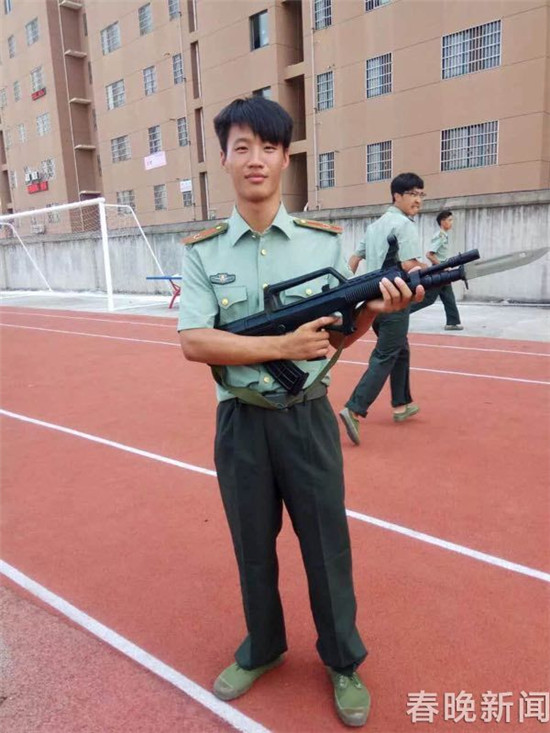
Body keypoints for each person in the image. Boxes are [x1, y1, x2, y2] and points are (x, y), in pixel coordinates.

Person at [177, 97, 423, 727]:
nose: (255, 159)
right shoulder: (203, 252)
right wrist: (279, 346)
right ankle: (262, 647)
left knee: (326, 544)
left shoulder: (323, 243)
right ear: (224, 159)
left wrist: (375, 313)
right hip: (241, 423)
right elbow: (195, 341)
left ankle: (342, 659)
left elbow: (338, 335)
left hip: (308, 416)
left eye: (268, 147)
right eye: (241, 147)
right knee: (252, 545)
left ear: (286, 158)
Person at [339, 173, 427, 446]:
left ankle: (401, 404)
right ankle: (354, 408)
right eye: (412, 194)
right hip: (394, 300)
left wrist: (344, 290)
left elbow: (355, 258)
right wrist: (436, 271)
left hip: (373, 301)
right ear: (396, 196)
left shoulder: (374, 226)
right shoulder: (404, 225)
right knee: (385, 355)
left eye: (421, 194)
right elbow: (410, 265)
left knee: (400, 349)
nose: (418, 200)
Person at [409, 209, 463, 330]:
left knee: (448, 297)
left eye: (452, 220)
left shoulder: (444, 235)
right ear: (442, 222)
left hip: (442, 271)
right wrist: (442, 266)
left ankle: (452, 323)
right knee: (428, 299)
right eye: (449, 220)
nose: (451, 223)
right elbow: (429, 254)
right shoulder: (440, 236)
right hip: (438, 271)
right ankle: (399, 314)